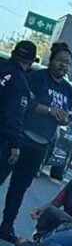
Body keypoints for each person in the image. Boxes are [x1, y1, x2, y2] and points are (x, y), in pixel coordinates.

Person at [0, 41, 72, 243]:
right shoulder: (37, 77)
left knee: (20, 187)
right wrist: (49, 110)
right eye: (60, 61)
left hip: (41, 143)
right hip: (21, 136)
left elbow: (69, 115)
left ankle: (7, 225)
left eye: (67, 63)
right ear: (51, 60)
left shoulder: (67, 90)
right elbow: (24, 102)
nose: (63, 66)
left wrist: (63, 118)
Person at [0, 40, 38, 174]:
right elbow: (14, 115)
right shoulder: (20, 82)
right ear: (32, 61)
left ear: (12, 53)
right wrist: (16, 144)